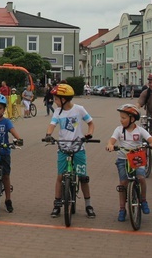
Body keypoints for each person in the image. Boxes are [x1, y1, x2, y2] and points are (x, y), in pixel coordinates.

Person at [43, 83, 96, 218]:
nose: (54, 101)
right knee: (60, 176)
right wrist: (48, 135)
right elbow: (52, 125)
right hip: (63, 147)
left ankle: (88, 205)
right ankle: (57, 204)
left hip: (78, 147)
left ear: (64, 99)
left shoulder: (79, 109)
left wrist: (89, 134)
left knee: (83, 177)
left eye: (56, 99)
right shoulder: (57, 112)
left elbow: (90, 123)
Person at [106, 103, 152, 221]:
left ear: (132, 119)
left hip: (137, 157)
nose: (121, 120)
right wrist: (110, 145)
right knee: (123, 183)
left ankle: (143, 200)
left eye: (124, 118)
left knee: (141, 178)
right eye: (121, 117)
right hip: (122, 158)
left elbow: (151, 139)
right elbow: (112, 140)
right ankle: (122, 209)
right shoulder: (119, 130)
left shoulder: (140, 130)